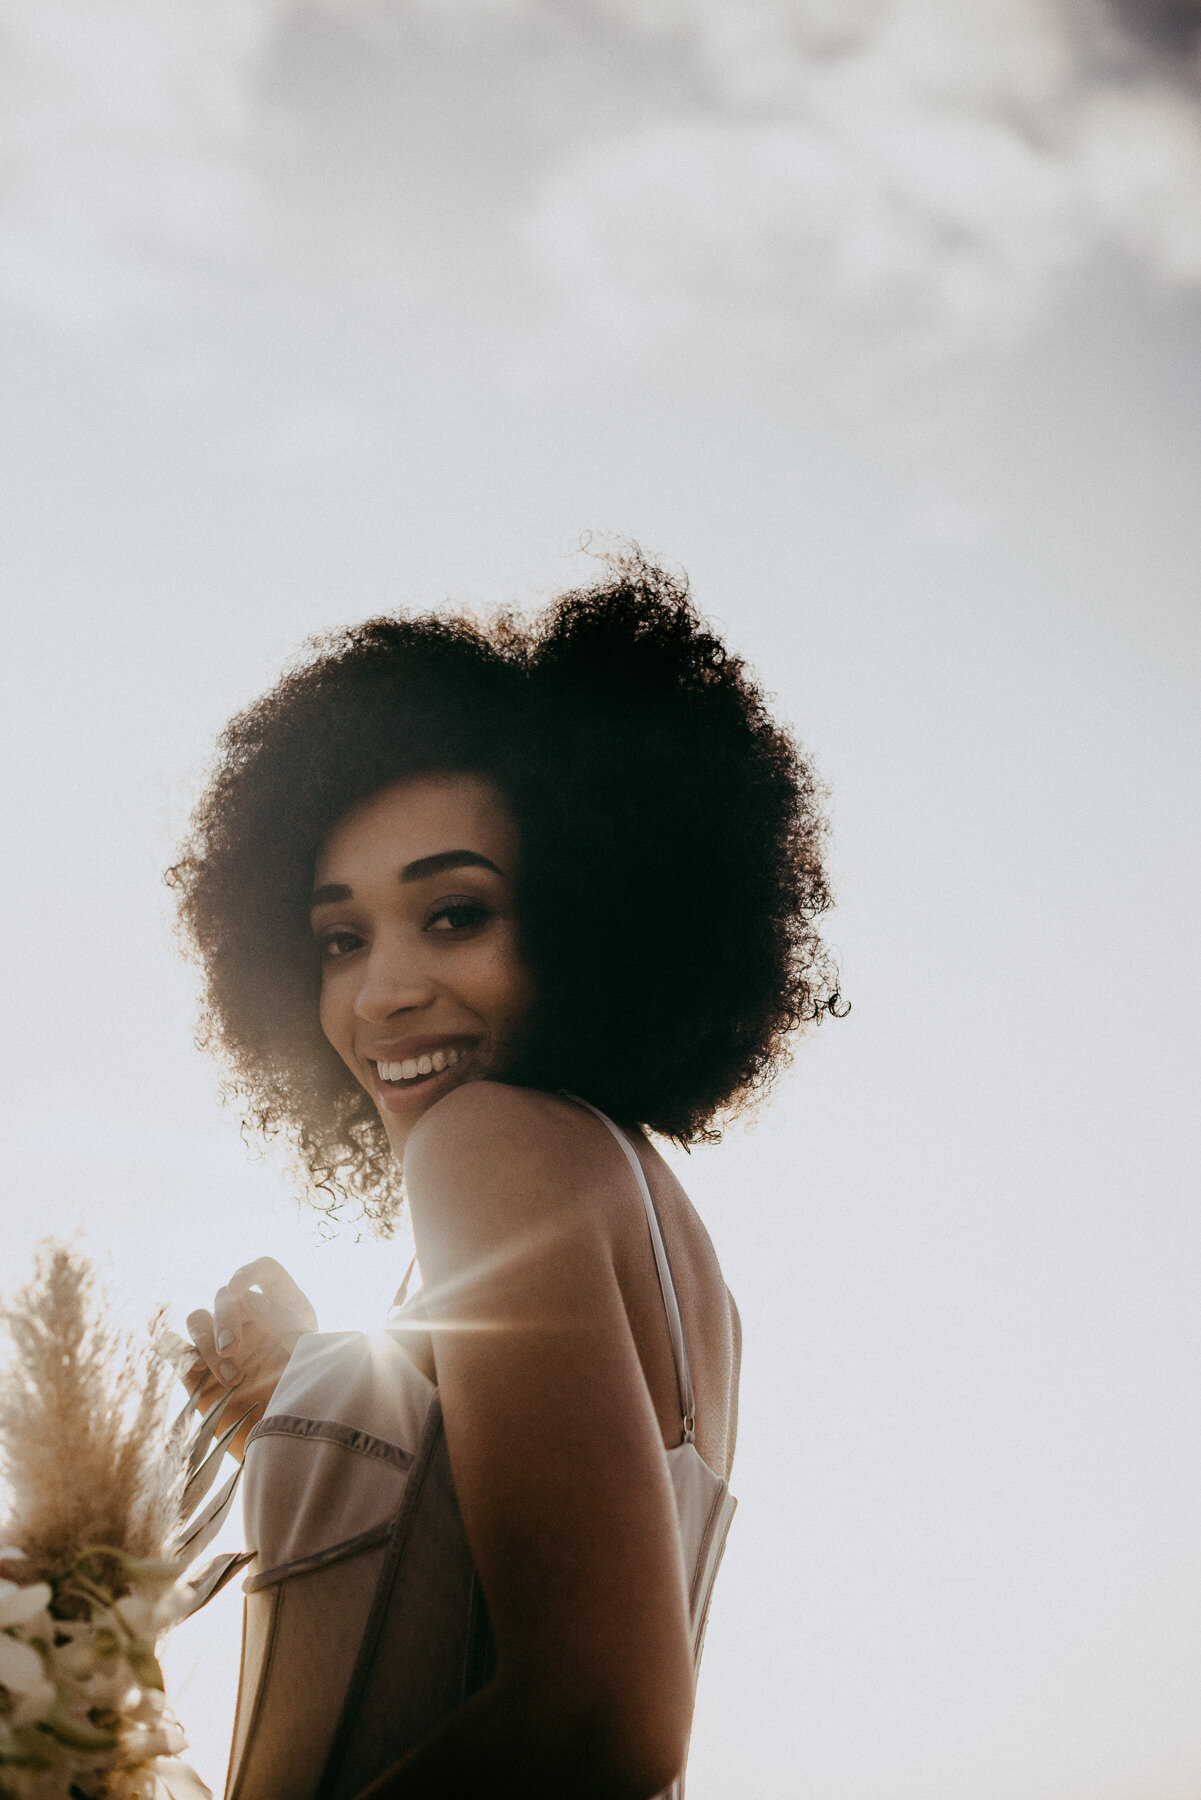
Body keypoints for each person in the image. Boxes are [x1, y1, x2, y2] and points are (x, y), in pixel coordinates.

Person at [169, 551, 842, 1800]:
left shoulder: (487, 1147)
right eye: (337, 938)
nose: (382, 992)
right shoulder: (635, 1208)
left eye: (457, 914)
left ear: (595, 911)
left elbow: (606, 1721)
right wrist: (317, 1396)